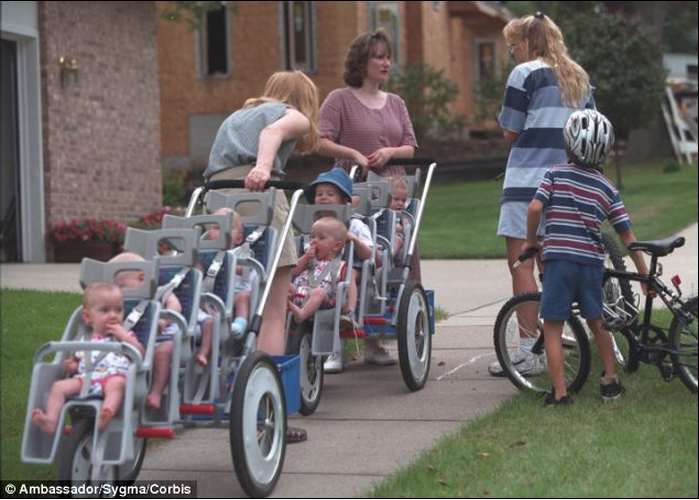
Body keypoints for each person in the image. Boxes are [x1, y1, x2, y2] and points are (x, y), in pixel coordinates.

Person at [204, 71, 319, 443]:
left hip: (217, 198)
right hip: (260, 194)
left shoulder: (237, 116)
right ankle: (264, 408)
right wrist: (264, 168)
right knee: (273, 309)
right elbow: (271, 136)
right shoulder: (292, 114)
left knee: (224, 293)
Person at [489, 12, 597, 377]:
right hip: (570, 183)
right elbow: (591, 127)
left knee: (522, 262)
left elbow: (511, 131)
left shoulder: (525, 74)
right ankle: (558, 336)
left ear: (527, 43)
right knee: (555, 262)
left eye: (513, 46)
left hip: (528, 182)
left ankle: (528, 350)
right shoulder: (578, 75)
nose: (512, 52)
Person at [523, 110, 649, 405]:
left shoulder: (555, 174)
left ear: (568, 144)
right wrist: (643, 276)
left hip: (559, 262)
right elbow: (627, 236)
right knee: (598, 322)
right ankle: (610, 382)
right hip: (591, 263)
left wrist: (531, 240)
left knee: (552, 326)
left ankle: (561, 394)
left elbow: (533, 209)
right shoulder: (608, 188)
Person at [305, 168, 396, 372]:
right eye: (320, 194)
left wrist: (354, 241)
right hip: (320, 271)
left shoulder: (354, 224)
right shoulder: (314, 225)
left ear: (344, 200)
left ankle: (340, 343)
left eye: (330, 194)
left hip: (354, 271)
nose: (324, 198)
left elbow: (373, 257)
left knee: (344, 280)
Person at [32, 282, 145, 433]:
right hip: (86, 379)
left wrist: (125, 337)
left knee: (118, 384)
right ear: (87, 316)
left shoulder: (125, 335)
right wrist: (73, 366)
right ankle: (51, 420)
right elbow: (81, 362)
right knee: (58, 387)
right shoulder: (83, 339)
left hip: (111, 378)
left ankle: (106, 413)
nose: (113, 315)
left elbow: (140, 353)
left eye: (118, 310)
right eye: (105, 310)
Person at [110, 252, 185, 410]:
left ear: (142, 278)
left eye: (121, 286)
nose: (119, 291)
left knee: (162, 354)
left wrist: (164, 320)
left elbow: (175, 306)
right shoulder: (119, 301)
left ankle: (156, 392)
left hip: (162, 338)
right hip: (135, 340)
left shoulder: (160, 291)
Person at [195, 207, 254, 367]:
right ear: (209, 235)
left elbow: (246, 270)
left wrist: (227, 264)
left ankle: (240, 324)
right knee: (199, 299)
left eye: (228, 227)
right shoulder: (207, 253)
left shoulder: (241, 251)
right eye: (215, 228)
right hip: (214, 295)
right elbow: (198, 274)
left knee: (244, 298)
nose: (221, 231)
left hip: (236, 292)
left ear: (239, 238)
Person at [287, 217, 349, 324]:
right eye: (312, 237)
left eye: (321, 238)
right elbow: (294, 271)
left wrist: (348, 306)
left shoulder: (341, 265)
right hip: (297, 293)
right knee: (285, 285)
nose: (314, 240)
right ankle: (282, 313)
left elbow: (348, 286)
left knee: (318, 293)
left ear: (336, 246)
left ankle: (302, 314)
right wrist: (306, 257)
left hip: (323, 299)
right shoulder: (308, 259)